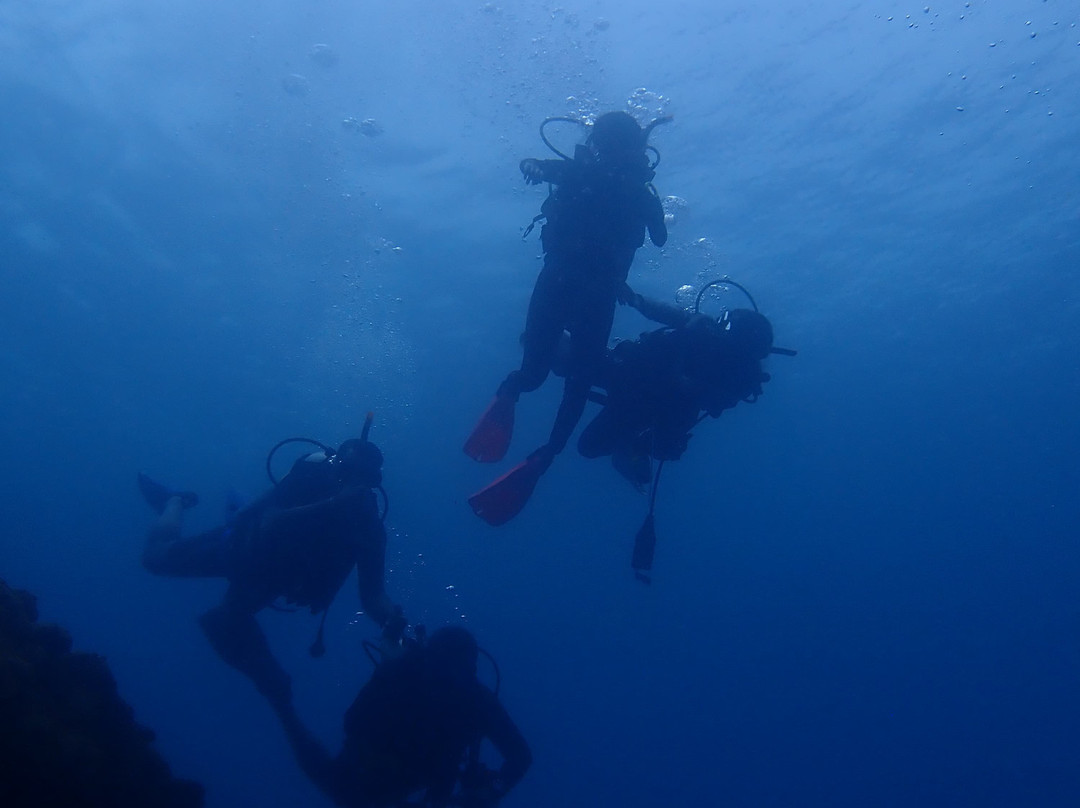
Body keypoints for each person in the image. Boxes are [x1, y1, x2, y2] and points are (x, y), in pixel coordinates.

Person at [465, 111, 670, 526]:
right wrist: (643, 197)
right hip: (598, 295)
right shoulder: (636, 187)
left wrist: (537, 169)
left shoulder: (581, 171)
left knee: (535, 372)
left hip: (556, 281)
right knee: (577, 382)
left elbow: (534, 167)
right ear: (637, 148)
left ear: (596, 141)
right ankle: (546, 453)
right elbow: (661, 237)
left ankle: (512, 392)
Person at [138, 419, 404, 709]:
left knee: (231, 618)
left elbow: (373, 595)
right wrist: (333, 504)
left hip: (269, 581)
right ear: (336, 464)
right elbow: (270, 521)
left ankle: (279, 699)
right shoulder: (312, 474)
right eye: (345, 471)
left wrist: (393, 620)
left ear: (371, 483)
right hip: (241, 549)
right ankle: (175, 501)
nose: (347, 481)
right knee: (154, 559)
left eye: (359, 478)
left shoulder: (369, 528)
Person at [274, 625, 531, 808]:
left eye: (454, 674)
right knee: (342, 788)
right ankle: (283, 708)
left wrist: (491, 790)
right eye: (442, 670)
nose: (445, 683)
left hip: (420, 783)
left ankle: (283, 708)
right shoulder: (399, 674)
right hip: (372, 777)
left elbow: (520, 756)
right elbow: (353, 723)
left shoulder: (476, 699)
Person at [577, 290, 777, 489]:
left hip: (662, 400)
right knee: (590, 441)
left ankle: (630, 446)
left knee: (595, 447)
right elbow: (671, 314)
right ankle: (629, 445)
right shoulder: (703, 332)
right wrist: (636, 300)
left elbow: (716, 405)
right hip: (639, 377)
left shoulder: (741, 371)